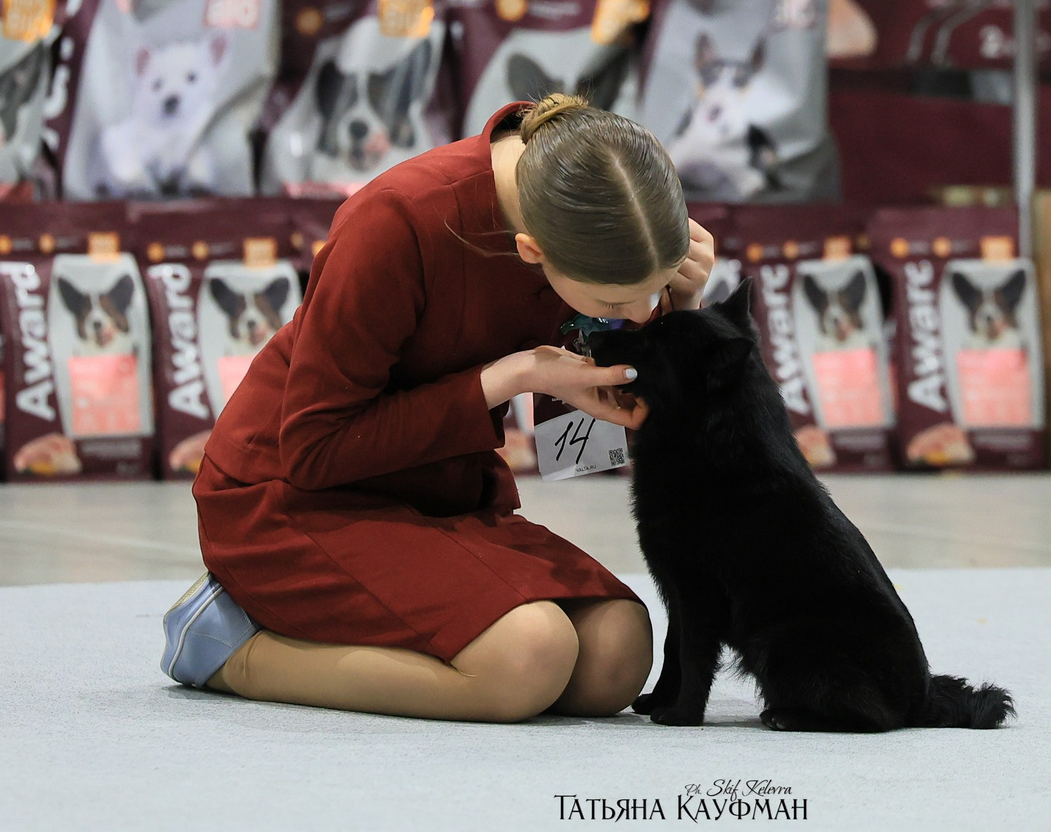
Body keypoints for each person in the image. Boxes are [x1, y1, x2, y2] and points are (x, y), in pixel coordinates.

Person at [161, 92, 715, 720]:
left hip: (441, 489)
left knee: (617, 653)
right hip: (289, 496)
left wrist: (684, 310)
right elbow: (314, 451)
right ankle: (230, 650)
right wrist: (510, 377)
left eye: (651, 294)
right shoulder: (395, 221)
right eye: (615, 305)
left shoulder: (603, 202)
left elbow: (615, 436)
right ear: (532, 253)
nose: (636, 318)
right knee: (526, 660)